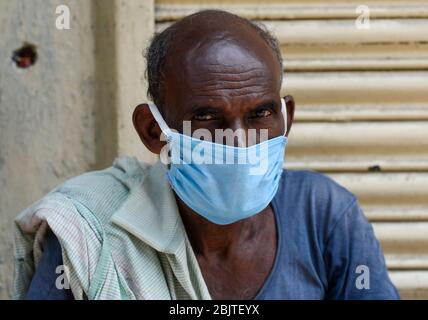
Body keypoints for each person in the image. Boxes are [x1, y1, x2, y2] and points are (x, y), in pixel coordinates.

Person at [13, 9, 399, 300]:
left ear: (287, 117)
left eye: (260, 114)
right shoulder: (91, 230)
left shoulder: (324, 216)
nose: (239, 142)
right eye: (207, 117)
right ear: (153, 131)